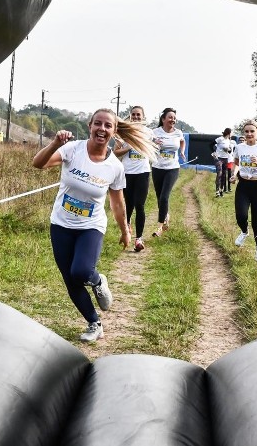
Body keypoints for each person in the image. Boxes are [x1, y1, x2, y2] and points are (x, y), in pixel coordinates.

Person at [32, 108, 156, 342]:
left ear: (114, 131)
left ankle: (98, 281)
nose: (102, 129)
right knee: (70, 279)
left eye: (108, 125)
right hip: (61, 223)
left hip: (91, 226)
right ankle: (94, 323)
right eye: (97, 124)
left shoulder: (115, 167)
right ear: (90, 126)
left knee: (80, 271)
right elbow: (39, 164)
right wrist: (54, 143)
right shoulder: (72, 149)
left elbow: (118, 204)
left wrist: (125, 230)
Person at [230, 120, 257, 262]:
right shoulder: (239, 147)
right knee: (241, 216)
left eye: (252, 131)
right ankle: (244, 232)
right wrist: (234, 174)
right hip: (243, 185)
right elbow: (236, 163)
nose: (249, 134)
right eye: (246, 131)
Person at [113, 105, 154, 252]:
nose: (136, 117)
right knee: (128, 205)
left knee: (140, 205)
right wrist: (128, 147)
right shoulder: (123, 133)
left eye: (138, 115)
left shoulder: (149, 133)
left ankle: (139, 239)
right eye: (134, 115)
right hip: (126, 173)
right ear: (130, 116)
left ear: (143, 117)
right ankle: (127, 228)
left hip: (143, 172)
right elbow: (115, 152)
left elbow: (155, 146)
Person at [150, 107, 186, 237]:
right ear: (163, 119)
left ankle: (159, 227)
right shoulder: (155, 132)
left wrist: (181, 151)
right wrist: (154, 143)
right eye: (170, 117)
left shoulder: (178, 133)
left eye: (174, 118)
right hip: (157, 167)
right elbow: (148, 143)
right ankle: (166, 216)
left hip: (172, 168)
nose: (173, 120)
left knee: (164, 197)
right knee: (160, 198)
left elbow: (182, 141)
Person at [212, 127, 234, 197]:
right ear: (229, 133)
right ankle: (217, 191)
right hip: (218, 158)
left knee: (224, 174)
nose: (232, 134)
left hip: (225, 158)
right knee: (219, 173)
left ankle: (221, 190)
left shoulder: (229, 140)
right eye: (232, 133)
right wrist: (214, 152)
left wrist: (228, 150)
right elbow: (211, 144)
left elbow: (230, 151)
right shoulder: (220, 139)